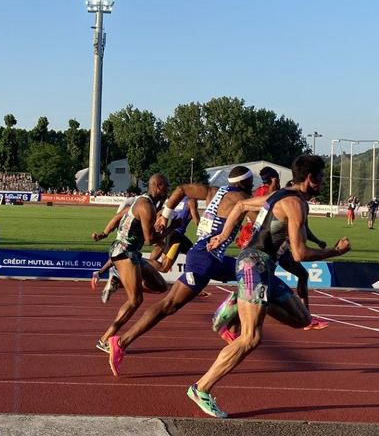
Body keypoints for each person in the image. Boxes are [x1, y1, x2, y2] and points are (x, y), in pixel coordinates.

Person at [187, 155, 351, 419]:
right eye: (321, 177)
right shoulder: (295, 204)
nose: (323, 181)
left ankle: (239, 298)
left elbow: (240, 206)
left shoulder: (281, 195)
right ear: (310, 179)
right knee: (251, 338)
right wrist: (336, 251)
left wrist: (222, 236)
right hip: (255, 264)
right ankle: (201, 388)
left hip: (263, 267)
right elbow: (298, 254)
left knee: (302, 318)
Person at [106, 167, 254, 377]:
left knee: (250, 275)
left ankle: (228, 323)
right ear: (245, 183)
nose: (254, 186)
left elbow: (182, 189)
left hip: (211, 257)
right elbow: (264, 221)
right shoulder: (243, 198)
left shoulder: (213, 191)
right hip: (204, 259)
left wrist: (165, 216)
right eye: (251, 182)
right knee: (168, 305)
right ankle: (120, 342)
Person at [93, 173, 170, 353]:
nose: (168, 190)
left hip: (131, 252)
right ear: (158, 186)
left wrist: (104, 233)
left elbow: (119, 216)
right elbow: (150, 240)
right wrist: (172, 229)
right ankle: (105, 339)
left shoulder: (141, 201)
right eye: (166, 186)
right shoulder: (146, 206)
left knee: (160, 286)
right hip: (124, 252)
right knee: (135, 300)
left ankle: (119, 282)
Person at [257, 170, 330, 331]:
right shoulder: (285, 200)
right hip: (270, 249)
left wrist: (317, 241)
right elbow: (247, 208)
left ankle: (307, 315)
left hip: (281, 250)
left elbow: (305, 229)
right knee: (263, 284)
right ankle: (251, 304)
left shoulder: (296, 204)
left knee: (301, 275)